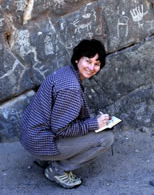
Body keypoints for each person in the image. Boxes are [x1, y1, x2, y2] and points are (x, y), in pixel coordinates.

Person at [20, 39, 114, 189]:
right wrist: (94, 124)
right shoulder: (71, 87)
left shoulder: (66, 73)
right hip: (40, 142)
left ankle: (46, 159)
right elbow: (61, 129)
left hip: (31, 135)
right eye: (88, 61)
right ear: (77, 59)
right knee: (106, 138)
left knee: (93, 127)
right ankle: (57, 169)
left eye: (96, 63)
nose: (91, 67)